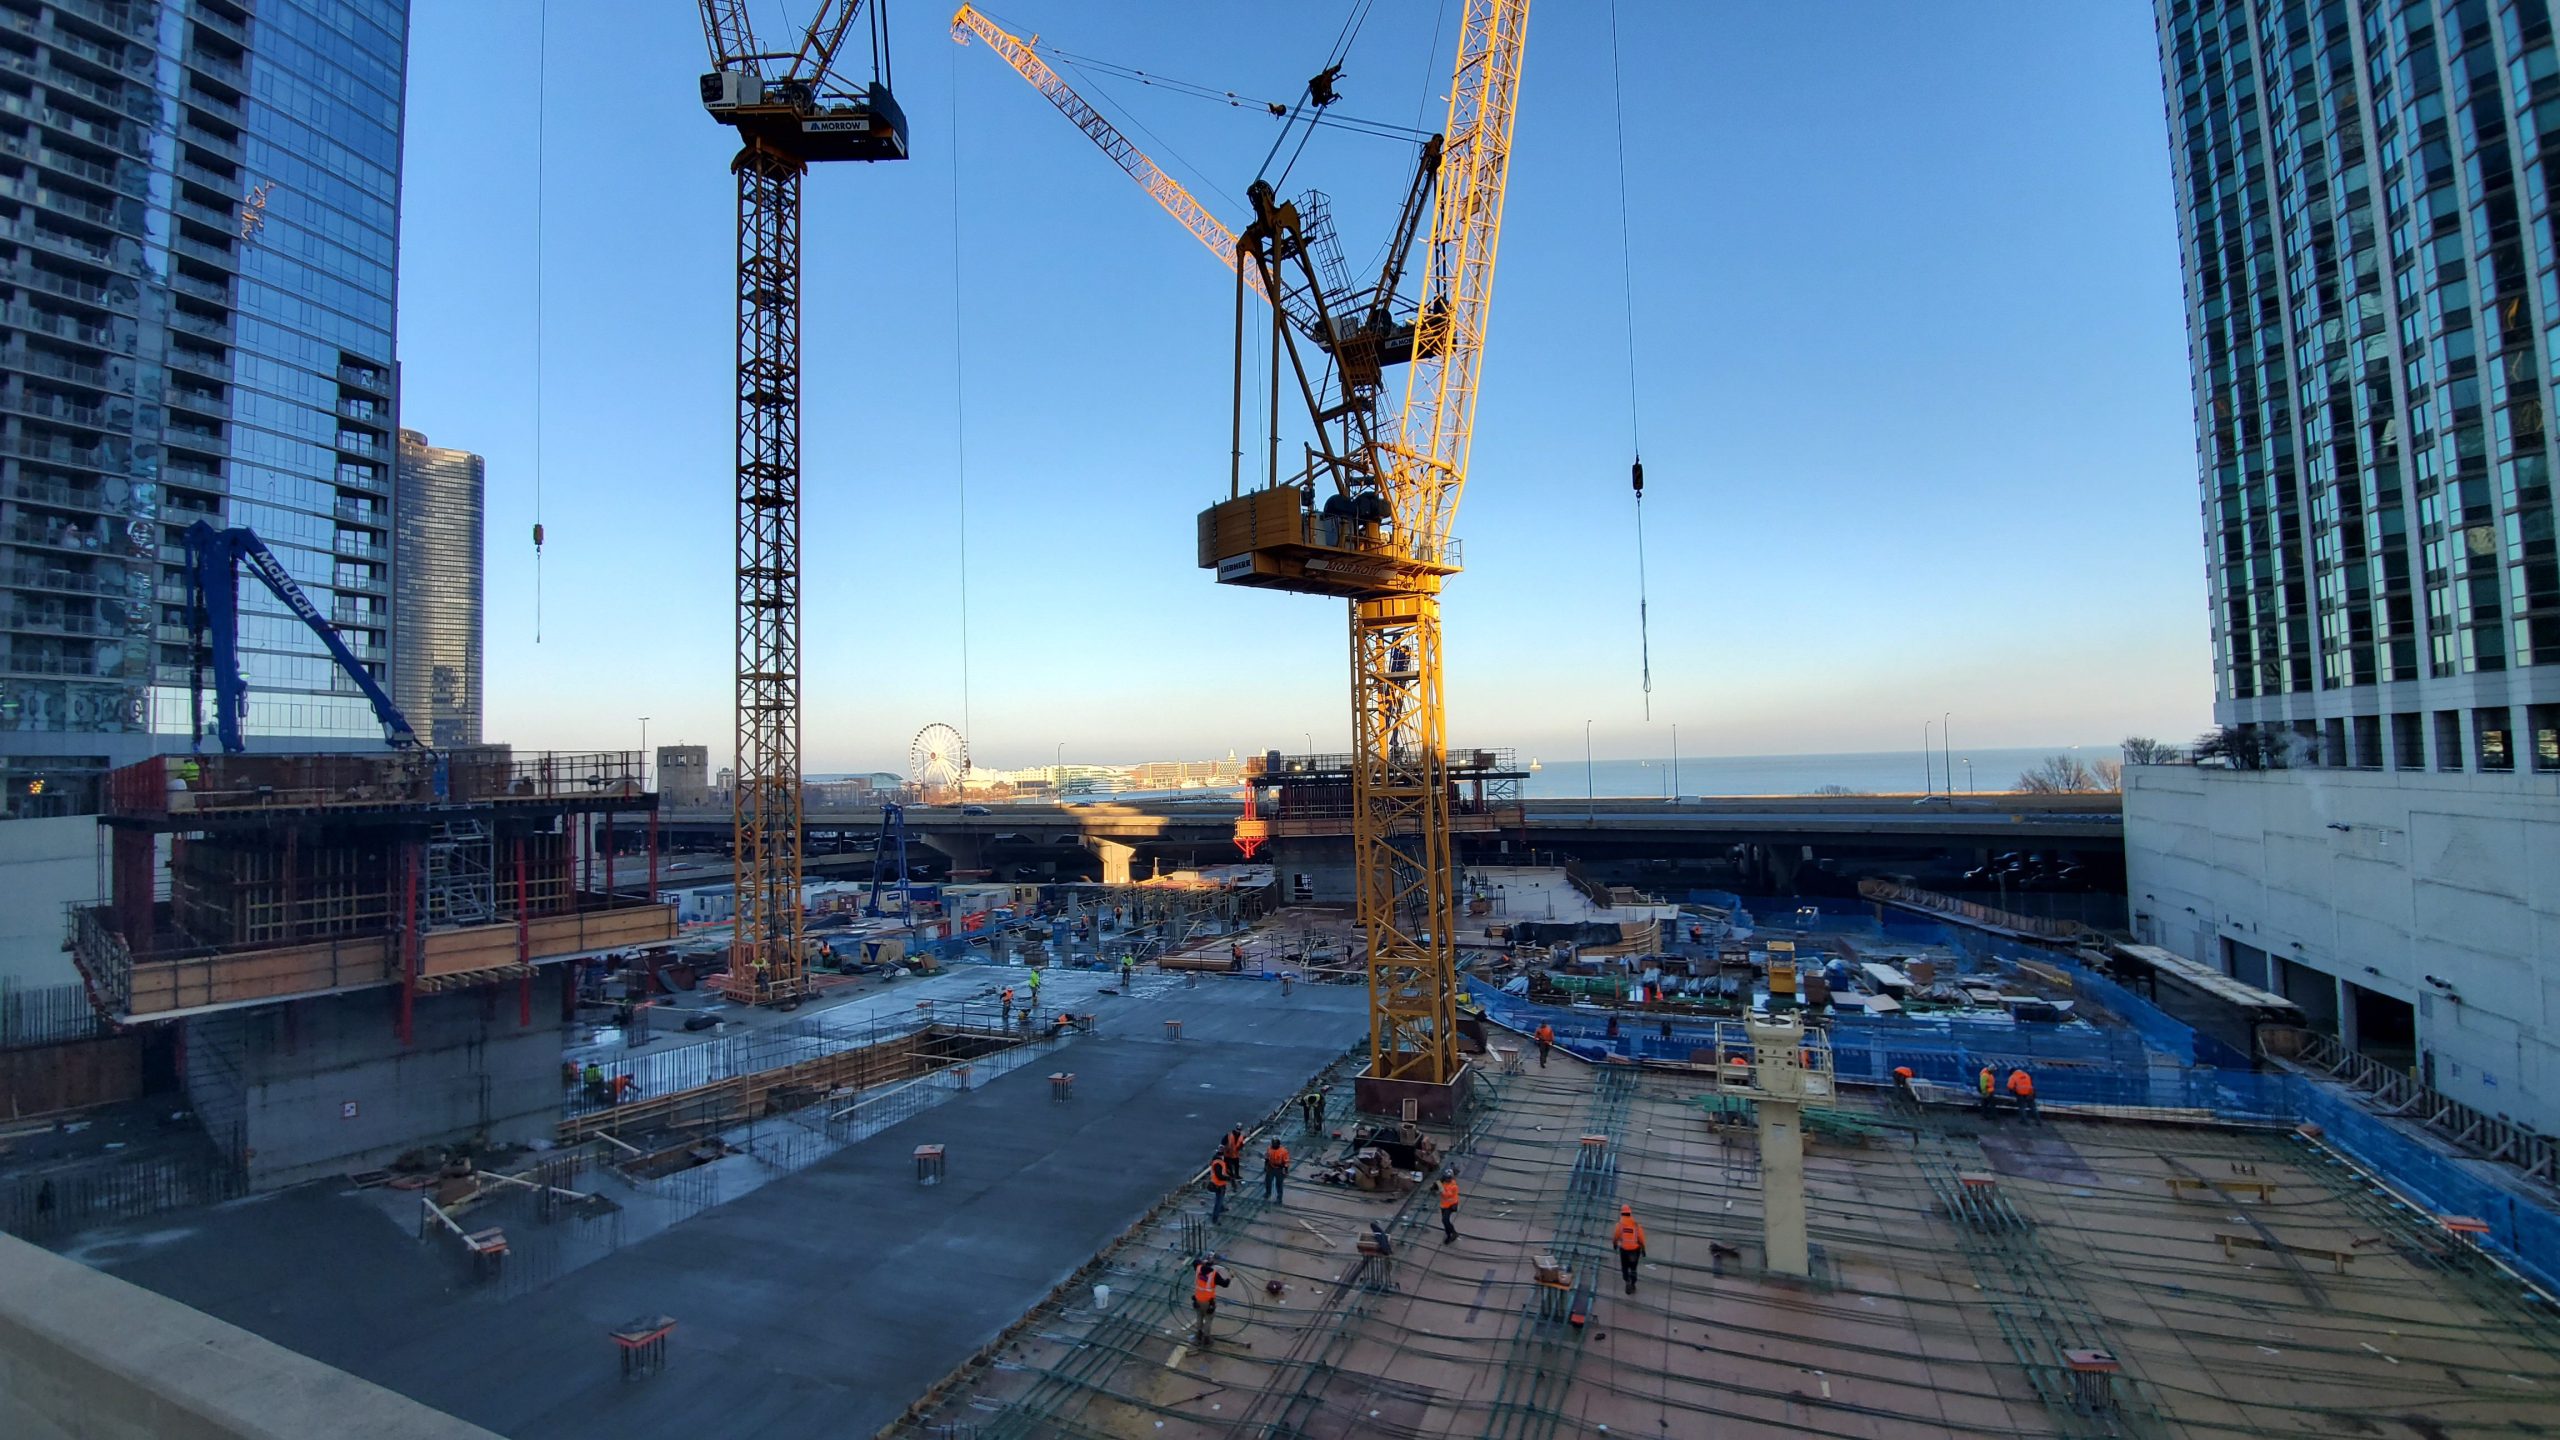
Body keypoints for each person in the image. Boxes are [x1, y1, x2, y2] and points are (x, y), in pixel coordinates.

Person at [1192, 1254, 1231, 1346]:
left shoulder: (1198, 1268)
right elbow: (1225, 1284)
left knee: (1199, 1317)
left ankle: (1198, 1336)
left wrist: (1203, 1261)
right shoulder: (1214, 1274)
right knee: (1208, 1319)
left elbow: (1195, 1262)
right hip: (1208, 1302)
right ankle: (1206, 1340)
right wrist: (1230, 1277)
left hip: (1197, 1299)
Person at [1613, 1203, 1648, 1294]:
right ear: (1630, 1214)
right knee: (1633, 1268)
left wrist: (1615, 1244)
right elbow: (1641, 1239)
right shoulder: (1636, 1226)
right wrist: (1643, 1249)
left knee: (1624, 1267)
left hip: (1624, 1251)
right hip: (1635, 1251)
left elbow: (1615, 1237)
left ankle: (1627, 1280)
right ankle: (1633, 1284)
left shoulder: (1619, 1226)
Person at [1263, 1137, 1291, 1203]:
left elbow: (1286, 1161)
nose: (1274, 1145)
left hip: (1279, 1169)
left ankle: (1279, 1198)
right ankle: (1268, 1193)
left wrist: (1286, 1170)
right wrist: (1265, 1166)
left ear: (1278, 1144)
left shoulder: (1283, 1151)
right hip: (1271, 1167)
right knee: (1268, 1182)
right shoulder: (1269, 1148)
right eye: (1273, 1144)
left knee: (1279, 1184)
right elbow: (1267, 1158)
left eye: (1275, 1144)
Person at [1206, 1151, 1231, 1224]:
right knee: (1218, 1201)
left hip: (1221, 1184)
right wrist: (1228, 1178)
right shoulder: (1217, 1163)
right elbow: (1219, 1176)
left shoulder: (1220, 1162)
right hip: (1218, 1185)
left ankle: (1222, 1208)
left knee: (1221, 1198)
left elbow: (1223, 1172)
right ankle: (1215, 1219)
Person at [1438, 1168, 1461, 1244]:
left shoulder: (1454, 1186)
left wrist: (1439, 1185)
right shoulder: (1444, 1182)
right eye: (1446, 1178)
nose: (1447, 1179)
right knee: (1445, 1221)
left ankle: (1452, 1234)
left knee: (1445, 1220)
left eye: (1448, 1178)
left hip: (1451, 1206)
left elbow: (1446, 1195)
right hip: (1444, 1205)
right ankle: (1450, 1233)